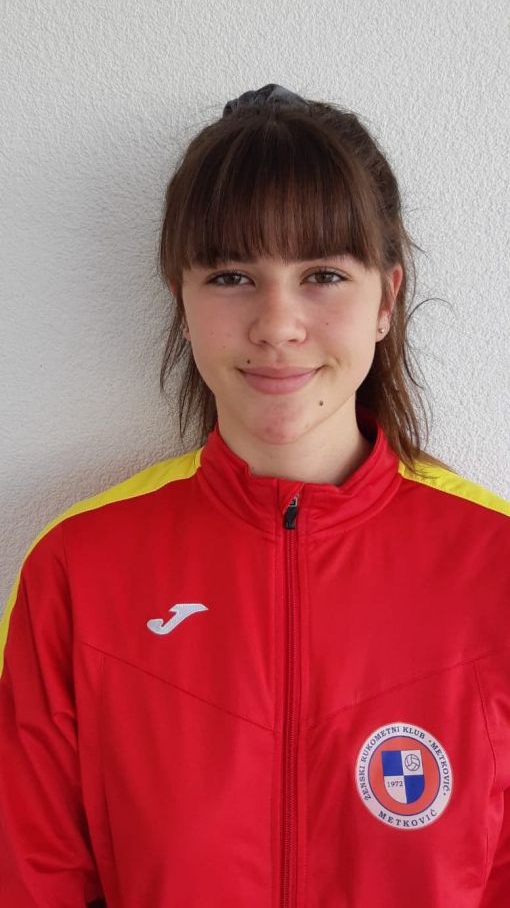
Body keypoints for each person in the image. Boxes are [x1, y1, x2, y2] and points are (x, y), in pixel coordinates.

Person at [0, 83, 509, 908]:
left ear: (386, 299)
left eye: (323, 275)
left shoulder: (495, 567)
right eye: (232, 275)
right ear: (182, 300)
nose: (277, 324)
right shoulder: (77, 571)